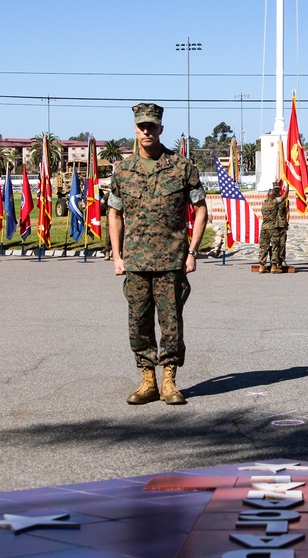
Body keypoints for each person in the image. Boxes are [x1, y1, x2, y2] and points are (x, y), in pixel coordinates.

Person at [107, 103, 208, 405]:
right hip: (136, 262)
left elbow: (201, 209)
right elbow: (114, 213)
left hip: (171, 262)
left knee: (171, 323)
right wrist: (116, 255)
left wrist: (192, 251)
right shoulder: (122, 172)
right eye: (141, 126)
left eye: (151, 126)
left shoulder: (181, 167)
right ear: (135, 129)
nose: (146, 131)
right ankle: (147, 380)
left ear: (161, 128)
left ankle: (169, 381)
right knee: (138, 322)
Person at [258, 180, 289, 273]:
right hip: (273, 228)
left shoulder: (265, 203)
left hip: (264, 228)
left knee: (263, 247)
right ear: (273, 196)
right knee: (275, 247)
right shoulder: (274, 202)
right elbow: (285, 195)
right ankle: (274, 266)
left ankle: (261, 266)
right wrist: (288, 186)